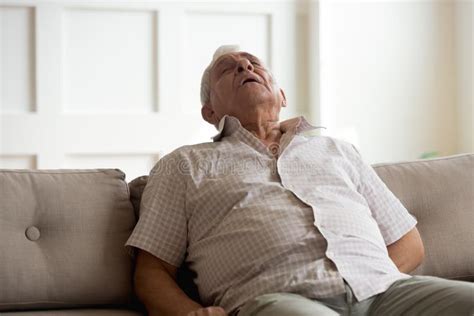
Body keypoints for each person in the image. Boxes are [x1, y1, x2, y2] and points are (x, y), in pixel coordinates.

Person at [125, 45, 474, 316]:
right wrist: (188, 312)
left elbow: (408, 242)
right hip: (282, 301)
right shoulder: (183, 164)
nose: (245, 67)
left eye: (254, 63)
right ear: (209, 112)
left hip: (387, 293)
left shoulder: (338, 151)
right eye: (227, 69)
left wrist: (370, 279)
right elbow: (152, 270)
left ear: (282, 96)